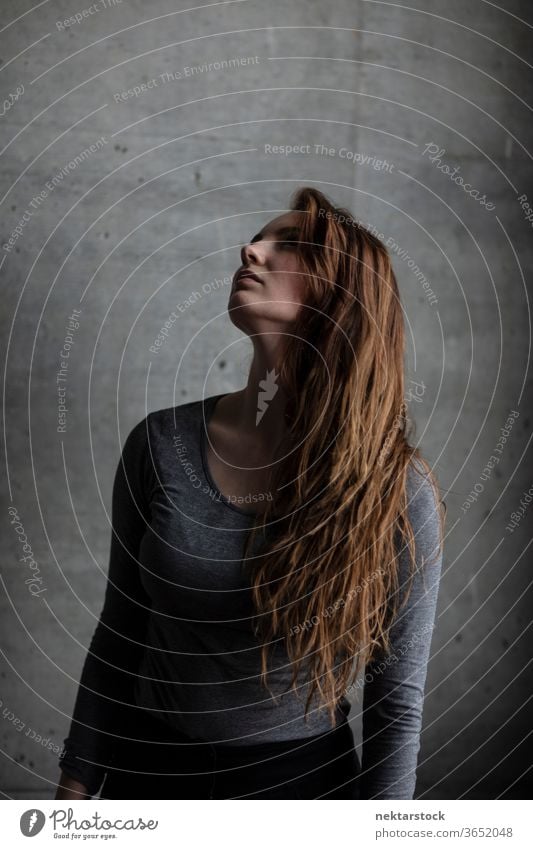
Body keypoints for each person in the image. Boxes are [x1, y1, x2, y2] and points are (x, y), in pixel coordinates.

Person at [55, 186, 445, 800]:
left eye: (287, 243)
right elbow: (120, 631)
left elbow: (396, 696)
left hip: (300, 787)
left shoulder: (393, 487)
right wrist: (74, 793)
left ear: (344, 294)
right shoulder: (162, 443)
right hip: (146, 777)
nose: (251, 249)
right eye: (261, 236)